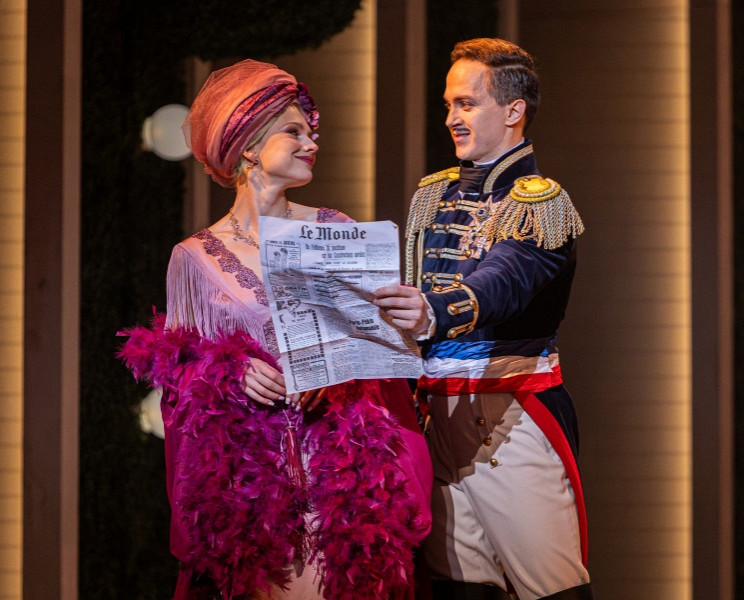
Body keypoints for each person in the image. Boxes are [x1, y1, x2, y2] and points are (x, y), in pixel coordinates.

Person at [118, 60, 432, 600]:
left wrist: (379, 339)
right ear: (247, 147)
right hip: (249, 483)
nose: (311, 142)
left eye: (311, 132)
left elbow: (381, 350)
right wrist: (230, 371)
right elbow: (178, 376)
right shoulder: (194, 258)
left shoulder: (336, 231)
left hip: (340, 472)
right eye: (294, 132)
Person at [373, 39, 593, 600]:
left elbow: (506, 279)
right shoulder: (433, 195)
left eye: (467, 104)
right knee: (459, 590)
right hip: (436, 415)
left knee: (552, 590)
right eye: (449, 104)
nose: (451, 117)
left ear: (513, 111)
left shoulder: (541, 203)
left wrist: (434, 310)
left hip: (507, 414)